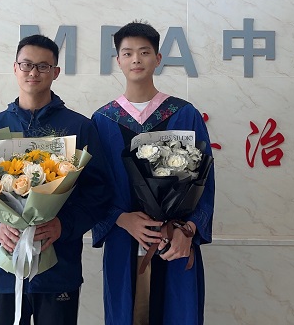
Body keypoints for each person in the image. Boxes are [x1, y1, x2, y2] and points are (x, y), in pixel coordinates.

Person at [0, 34, 110, 325]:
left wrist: (64, 225)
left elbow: (99, 193)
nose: (33, 72)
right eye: (26, 64)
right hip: (3, 267)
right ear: (15, 68)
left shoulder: (78, 127)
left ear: (56, 72)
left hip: (58, 268)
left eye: (43, 66)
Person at [91, 21, 215, 325]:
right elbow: (92, 187)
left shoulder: (184, 114)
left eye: (144, 52)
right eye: (128, 53)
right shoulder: (102, 121)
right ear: (118, 60)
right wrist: (121, 219)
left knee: (177, 312)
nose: (136, 59)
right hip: (124, 239)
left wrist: (189, 230)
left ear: (158, 58)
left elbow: (205, 181)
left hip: (176, 240)